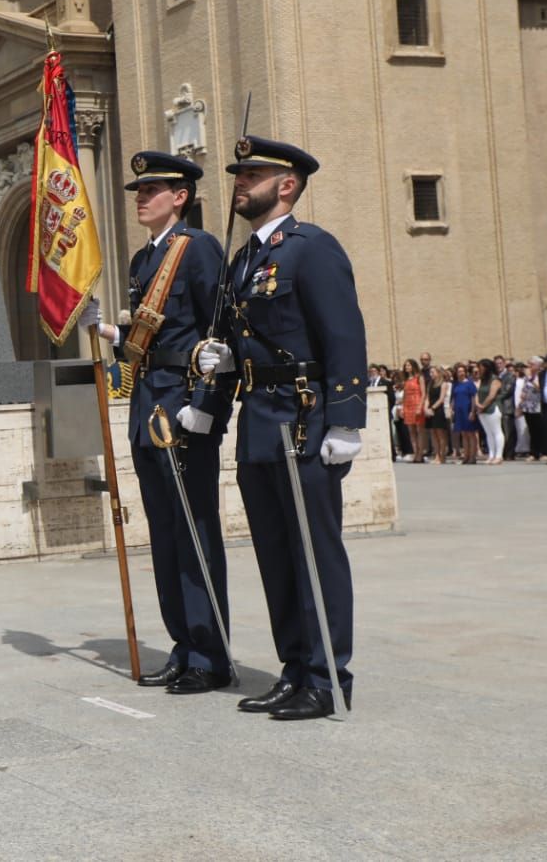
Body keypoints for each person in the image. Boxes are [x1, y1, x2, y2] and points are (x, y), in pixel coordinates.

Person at [196, 135, 367, 722]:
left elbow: (343, 335)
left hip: (303, 419)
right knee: (274, 555)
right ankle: (294, 670)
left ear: (286, 184)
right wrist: (216, 373)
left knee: (315, 554)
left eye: (252, 174)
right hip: (259, 424)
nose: (239, 182)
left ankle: (326, 676)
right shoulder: (242, 259)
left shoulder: (311, 248)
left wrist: (345, 419)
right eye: (238, 174)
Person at [81, 152, 232, 695]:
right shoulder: (143, 260)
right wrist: (106, 334)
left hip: (183, 412)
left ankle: (210, 653)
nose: (141, 198)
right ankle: (183, 643)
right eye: (138, 190)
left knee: (194, 534)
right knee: (165, 537)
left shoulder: (198, 250)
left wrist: (206, 404)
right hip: (148, 408)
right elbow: (148, 345)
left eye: (153, 189)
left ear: (180, 196)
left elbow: (218, 333)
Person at [475, 359, 505, 465]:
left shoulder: (495, 379)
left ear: (486, 368)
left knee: (497, 431)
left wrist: (482, 406)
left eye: (480, 367)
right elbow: (478, 392)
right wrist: (478, 404)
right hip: (482, 410)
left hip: (492, 408)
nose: (478, 369)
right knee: (488, 433)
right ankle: (491, 455)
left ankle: (499, 456)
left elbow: (491, 395)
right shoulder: (483, 379)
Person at [450, 363, 478, 464]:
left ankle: (472, 456)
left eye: (462, 371)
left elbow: (473, 397)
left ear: (465, 373)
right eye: (459, 372)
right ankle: (466, 456)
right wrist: (451, 409)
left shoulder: (469, 384)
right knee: (463, 434)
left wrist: (472, 411)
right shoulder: (456, 384)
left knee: (471, 434)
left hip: (468, 410)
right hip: (459, 412)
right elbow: (453, 398)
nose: (461, 373)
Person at [399, 359, 425, 463]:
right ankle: (415, 453)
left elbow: (423, 393)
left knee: (419, 431)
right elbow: (404, 396)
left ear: (413, 366)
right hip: (408, 405)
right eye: (406, 366)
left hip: (417, 403)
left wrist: (420, 407)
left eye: (409, 365)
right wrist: (402, 408)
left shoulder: (419, 377)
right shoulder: (406, 380)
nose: (407, 367)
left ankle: (420, 454)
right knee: (411, 432)